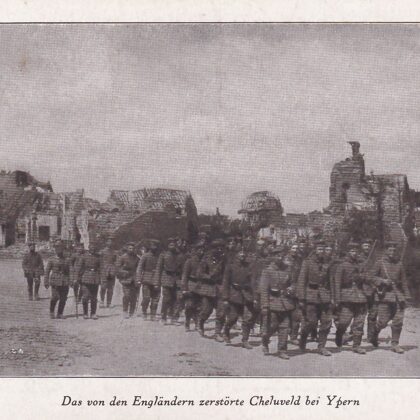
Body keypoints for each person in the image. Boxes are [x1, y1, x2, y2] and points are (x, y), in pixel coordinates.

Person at [370, 241, 411, 353]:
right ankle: (374, 333)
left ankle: (395, 344)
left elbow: (404, 281)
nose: (392, 252)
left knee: (398, 321)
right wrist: (382, 281)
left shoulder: (399, 264)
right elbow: (371, 277)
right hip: (385, 296)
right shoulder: (380, 263)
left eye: (394, 250)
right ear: (386, 250)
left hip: (398, 296)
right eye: (390, 249)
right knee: (382, 322)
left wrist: (407, 295)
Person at [297, 240, 334, 356]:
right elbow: (302, 280)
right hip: (311, 296)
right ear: (315, 250)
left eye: (323, 249)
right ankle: (303, 338)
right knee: (311, 322)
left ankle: (321, 346)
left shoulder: (328, 263)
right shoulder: (307, 262)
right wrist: (301, 298)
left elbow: (331, 282)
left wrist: (333, 297)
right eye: (319, 249)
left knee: (326, 322)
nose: (322, 251)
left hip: (325, 296)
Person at [260, 247, 296, 359]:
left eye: (281, 256)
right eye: (277, 256)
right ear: (272, 257)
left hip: (285, 302)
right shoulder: (267, 271)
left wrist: (291, 288)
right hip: (272, 302)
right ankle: (265, 341)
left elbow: (293, 283)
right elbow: (264, 290)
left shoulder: (288, 269)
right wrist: (265, 306)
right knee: (271, 326)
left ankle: (282, 350)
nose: (280, 258)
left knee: (284, 327)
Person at [334, 242, 368, 354]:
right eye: (352, 251)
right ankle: (340, 333)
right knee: (344, 321)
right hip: (347, 297)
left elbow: (368, 278)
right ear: (348, 252)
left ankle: (356, 346)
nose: (354, 253)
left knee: (359, 323)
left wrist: (362, 277)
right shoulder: (342, 265)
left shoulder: (362, 264)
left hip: (361, 297)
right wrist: (337, 299)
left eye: (356, 251)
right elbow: (337, 282)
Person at [222, 249, 258, 349]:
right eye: (240, 256)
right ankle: (226, 330)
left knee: (247, 319)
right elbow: (225, 282)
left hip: (247, 295)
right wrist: (225, 297)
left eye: (244, 256)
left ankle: (245, 340)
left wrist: (255, 297)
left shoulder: (249, 267)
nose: (243, 258)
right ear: (236, 256)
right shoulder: (230, 267)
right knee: (233, 318)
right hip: (234, 294)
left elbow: (253, 282)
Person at [195, 239, 225, 337]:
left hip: (220, 288)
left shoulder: (224, 260)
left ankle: (217, 333)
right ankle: (200, 323)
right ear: (213, 249)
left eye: (221, 248)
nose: (219, 250)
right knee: (206, 311)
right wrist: (209, 277)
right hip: (208, 288)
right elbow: (199, 274)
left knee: (221, 312)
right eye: (217, 248)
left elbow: (227, 273)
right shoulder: (206, 259)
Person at [44, 240, 71, 319]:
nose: (59, 249)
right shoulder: (51, 259)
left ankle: (60, 313)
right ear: (55, 248)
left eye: (60, 247)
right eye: (57, 247)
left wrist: (72, 280)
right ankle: (51, 311)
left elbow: (70, 271)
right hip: (55, 280)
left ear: (63, 248)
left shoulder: (67, 259)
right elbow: (47, 271)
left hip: (64, 280)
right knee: (55, 297)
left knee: (63, 298)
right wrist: (46, 281)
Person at [181, 243, 205, 331]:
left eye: (203, 250)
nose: (201, 252)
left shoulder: (204, 262)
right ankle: (187, 322)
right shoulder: (189, 261)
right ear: (196, 251)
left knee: (199, 307)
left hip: (201, 287)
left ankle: (197, 323)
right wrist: (184, 288)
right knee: (189, 306)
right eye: (199, 250)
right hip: (191, 285)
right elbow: (185, 275)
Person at [157, 238, 180, 325]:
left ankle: (174, 318)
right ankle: (163, 317)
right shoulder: (163, 255)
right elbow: (159, 269)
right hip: (166, 279)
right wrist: (157, 282)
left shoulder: (179, 255)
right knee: (166, 299)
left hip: (177, 280)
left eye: (174, 244)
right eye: (170, 244)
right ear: (167, 245)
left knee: (176, 299)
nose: (172, 246)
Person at [137, 239, 161, 320]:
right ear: (150, 246)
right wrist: (138, 279)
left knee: (155, 298)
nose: (154, 247)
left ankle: (153, 314)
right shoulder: (145, 256)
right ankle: (144, 312)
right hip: (146, 279)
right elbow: (139, 268)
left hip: (157, 279)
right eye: (153, 245)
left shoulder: (160, 257)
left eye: (156, 246)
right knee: (146, 298)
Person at [77, 242, 101, 320]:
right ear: (89, 248)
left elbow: (101, 268)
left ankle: (93, 313)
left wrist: (101, 279)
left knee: (94, 297)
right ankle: (85, 313)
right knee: (85, 297)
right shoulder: (84, 256)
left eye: (94, 247)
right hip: (85, 277)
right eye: (91, 247)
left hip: (95, 278)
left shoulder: (98, 257)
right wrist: (78, 278)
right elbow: (79, 267)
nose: (93, 249)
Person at [116, 242, 140, 319]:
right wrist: (124, 272)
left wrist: (138, 279)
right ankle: (125, 311)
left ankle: (132, 312)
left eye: (133, 248)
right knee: (127, 295)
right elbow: (118, 269)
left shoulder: (137, 258)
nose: (131, 250)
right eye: (130, 248)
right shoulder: (122, 257)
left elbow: (139, 269)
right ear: (127, 248)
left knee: (134, 297)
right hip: (126, 279)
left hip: (134, 279)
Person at [288, 243, 304, 345]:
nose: (295, 250)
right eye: (293, 248)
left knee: (296, 315)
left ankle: (293, 336)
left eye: (296, 248)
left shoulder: (300, 260)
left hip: (296, 289)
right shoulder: (285, 259)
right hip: (285, 289)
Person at [99, 237, 117, 308]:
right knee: (103, 287)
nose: (110, 243)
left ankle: (109, 302)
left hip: (112, 271)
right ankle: (102, 301)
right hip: (104, 270)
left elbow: (116, 262)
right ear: (106, 242)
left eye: (112, 242)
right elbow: (99, 262)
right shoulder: (102, 252)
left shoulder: (115, 252)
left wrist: (114, 269)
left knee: (110, 288)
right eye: (109, 241)